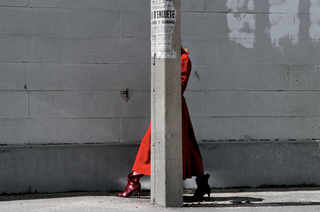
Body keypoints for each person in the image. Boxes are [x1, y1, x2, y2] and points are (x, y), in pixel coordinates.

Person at [116, 47, 211, 201]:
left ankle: (135, 180)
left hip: (174, 106)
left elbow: (180, 85)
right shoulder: (168, 57)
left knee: (174, 143)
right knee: (182, 144)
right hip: (167, 104)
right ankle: (201, 184)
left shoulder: (183, 59)